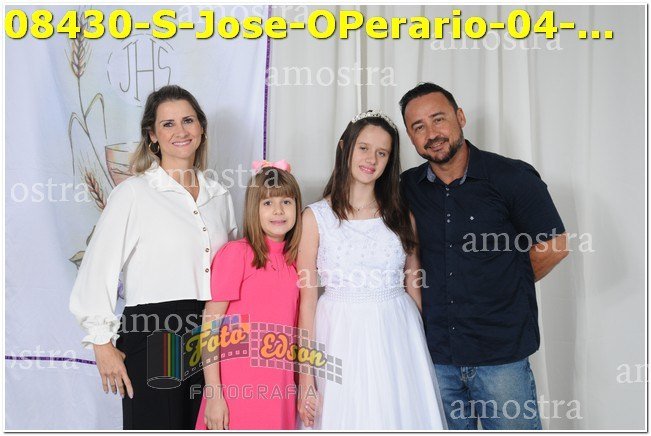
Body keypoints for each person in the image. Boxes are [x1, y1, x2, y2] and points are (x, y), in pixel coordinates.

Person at [399, 82, 569, 430]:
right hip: (435, 356)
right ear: (411, 137)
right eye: (419, 127)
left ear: (460, 117)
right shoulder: (406, 188)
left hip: (501, 357)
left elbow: (554, 245)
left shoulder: (512, 176)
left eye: (438, 119)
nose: (432, 134)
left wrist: (507, 283)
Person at [69, 85, 238, 430]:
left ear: (201, 128)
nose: (181, 131)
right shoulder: (133, 194)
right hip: (154, 332)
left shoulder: (220, 196)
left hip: (212, 335)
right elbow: (97, 268)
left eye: (188, 120)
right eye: (168, 124)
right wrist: (101, 343)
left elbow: (234, 269)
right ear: (152, 135)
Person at [296, 110, 445, 430]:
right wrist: (306, 378)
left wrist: (418, 350)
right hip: (338, 334)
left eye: (382, 153)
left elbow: (414, 285)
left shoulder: (401, 215)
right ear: (344, 147)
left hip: (397, 333)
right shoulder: (315, 218)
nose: (371, 159)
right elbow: (306, 303)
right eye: (363, 148)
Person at [195, 162, 302, 430]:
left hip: (279, 389)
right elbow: (210, 326)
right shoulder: (237, 254)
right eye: (267, 203)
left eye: (286, 201)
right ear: (254, 209)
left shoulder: (296, 264)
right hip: (236, 390)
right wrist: (214, 394)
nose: (278, 211)